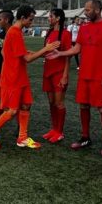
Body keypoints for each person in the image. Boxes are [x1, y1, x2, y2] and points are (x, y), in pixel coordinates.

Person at [0, 6, 60, 150]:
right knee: (12, 110)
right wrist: (45, 49)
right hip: (13, 78)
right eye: (30, 19)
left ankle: (22, 138)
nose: (32, 22)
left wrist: (41, 52)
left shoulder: (15, 32)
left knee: (26, 105)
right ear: (23, 18)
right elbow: (27, 58)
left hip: (19, 76)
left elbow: (9, 53)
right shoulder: (13, 33)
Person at [50, 0, 102, 156]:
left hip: (100, 76)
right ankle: (85, 137)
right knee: (83, 106)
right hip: (84, 75)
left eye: (88, 10)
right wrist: (61, 53)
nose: (85, 13)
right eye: (85, 10)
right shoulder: (84, 28)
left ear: (97, 10)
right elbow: (77, 49)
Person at [41, 8, 72, 144]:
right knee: (51, 103)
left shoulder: (66, 34)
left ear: (58, 18)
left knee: (59, 103)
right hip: (47, 71)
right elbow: (45, 52)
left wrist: (65, 75)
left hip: (59, 73)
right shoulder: (49, 33)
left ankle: (60, 132)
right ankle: (54, 129)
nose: (49, 18)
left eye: (51, 16)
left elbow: (68, 56)